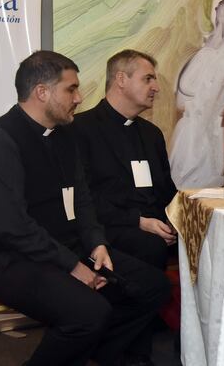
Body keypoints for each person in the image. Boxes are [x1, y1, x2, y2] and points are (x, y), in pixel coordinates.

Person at [0, 51, 169, 366]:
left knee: (153, 287)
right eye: (70, 89)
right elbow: (12, 227)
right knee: (89, 313)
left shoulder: (65, 136)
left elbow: (82, 199)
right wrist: (73, 266)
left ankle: (97, 355)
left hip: (59, 247)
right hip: (2, 260)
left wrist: (96, 244)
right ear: (42, 92)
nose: (79, 97)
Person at [72, 50, 177, 270]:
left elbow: (167, 189)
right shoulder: (80, 130)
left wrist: (175, 220)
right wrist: (139, 221)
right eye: (148, 79)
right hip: (112, 226)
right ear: (121, 79)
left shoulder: (152, 134)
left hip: (156, 224)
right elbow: (84, 198)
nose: (156, 87)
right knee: (152, 247)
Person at [170, 0, 224, 189]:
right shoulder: (207, 57)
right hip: (193, 135)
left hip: (210, 135)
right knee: (185, 194)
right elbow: (184, 100)